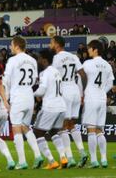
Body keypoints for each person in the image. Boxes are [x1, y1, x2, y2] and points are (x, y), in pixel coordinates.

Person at [3, 36, 43, 169]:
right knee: (26, 127)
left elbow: (6, 80)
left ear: (16, 46)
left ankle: (22, 161)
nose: (10, 47)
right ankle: (38, 156)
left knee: (16, 128)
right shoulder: (32, 60)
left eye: (11, 45)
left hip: (18, 97)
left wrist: (5, 98)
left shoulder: (12, 60)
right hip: (29, 97)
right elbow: (34, 80)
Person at [50, 36, 88, 168]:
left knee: (62, 126)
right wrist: (83, 92)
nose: (50, 44)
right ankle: (82, 152)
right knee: (71, 124)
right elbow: (83, 74)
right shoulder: (73, 56)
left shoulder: (56, 58)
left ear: (56, 44)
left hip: (64, 91)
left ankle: (70, 158)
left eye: (51, 42)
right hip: (75, 91)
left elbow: (54, 78)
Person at [82, 40, 114, 168]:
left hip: (91, 98)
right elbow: (110, 83)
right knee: (100, 130)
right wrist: (102, 92)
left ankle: (94, 160)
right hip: (101, 99)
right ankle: (104, 159)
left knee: (91, 130)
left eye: (89, 48)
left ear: (95, 49)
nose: (88, 50)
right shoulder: (107, 65)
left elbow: (81, 79)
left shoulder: (88, 63)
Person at [33, 49, 67, 170]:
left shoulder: (46, 73)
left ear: (44, 60)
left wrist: (31, 93)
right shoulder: (56, 72)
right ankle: (63, 157)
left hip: (50, 107)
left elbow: (42, 90)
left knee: (37, 133)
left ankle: (52, 161)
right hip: (61, 106)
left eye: (39, 58)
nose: (38, 61)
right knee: (53, 132)